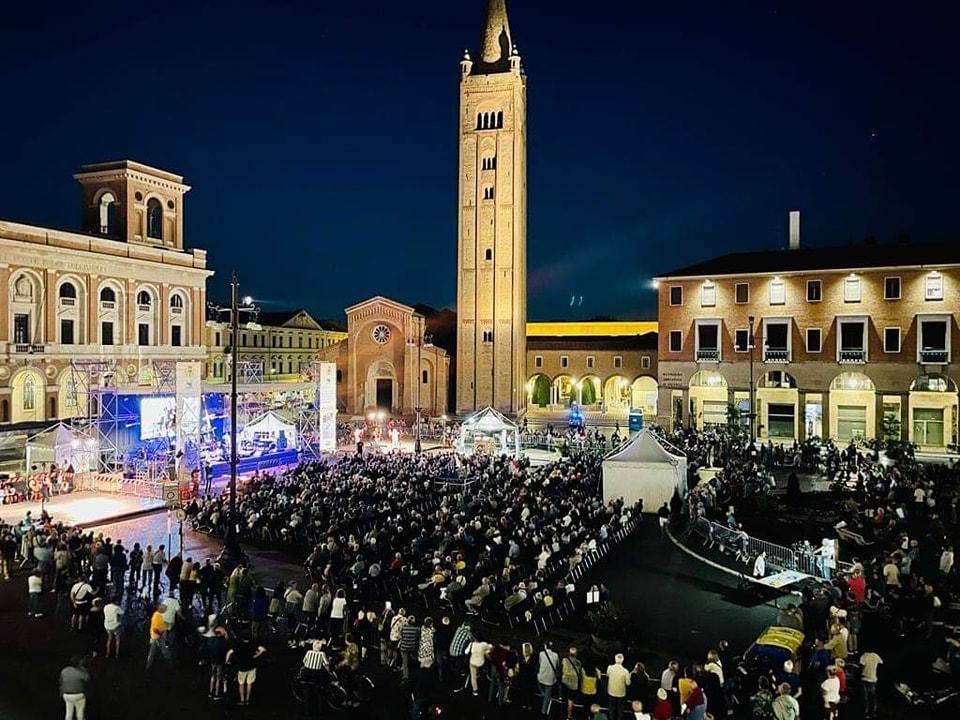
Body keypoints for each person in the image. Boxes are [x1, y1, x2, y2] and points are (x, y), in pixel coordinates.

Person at [227, 633, 266, 706]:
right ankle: (247, 700)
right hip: (252, 667)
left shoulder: (238, 645)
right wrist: (256, 655)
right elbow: (263, 649)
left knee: (241, 684)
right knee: (249, 684)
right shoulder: (253, 644)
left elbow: (229, 652)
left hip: (242, 668)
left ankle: (242, 700)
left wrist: (227, 661)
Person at [60, 656, 90, 720]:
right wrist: (83, 668)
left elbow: (61, 682)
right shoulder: (79, 671)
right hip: (78, 694)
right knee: (80, 715)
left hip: (67, 695)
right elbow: (87, 678)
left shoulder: (64, 671)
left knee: (68, 714)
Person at [560, 646, 584, 720]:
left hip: (564, 682)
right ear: (576, 654)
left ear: (569, 653)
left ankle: (561, 712)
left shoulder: (564, 660)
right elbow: (580, 674)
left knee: (564, 699)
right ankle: (569, 715)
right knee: (570, 700)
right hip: (573, 684)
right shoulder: (578, 663)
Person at [606, 653, 631, 720]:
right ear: (622, 660)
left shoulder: (610, 668)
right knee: (620, 711)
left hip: (611, 692)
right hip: (621, 694)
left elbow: (607, 675)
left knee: (611, 710)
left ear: (615, 659)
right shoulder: (625, 671)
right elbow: (628, 683)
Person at [537, 642, 560, 716]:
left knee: (539, 681)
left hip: (541, 677)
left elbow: (540, 662)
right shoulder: (556, 655)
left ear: (545, 646)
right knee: (547, 696)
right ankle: (544, 711)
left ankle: (541, 692)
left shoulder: (541, 654)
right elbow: (557, 665)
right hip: (550, 679)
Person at [207, 626, 229, 700]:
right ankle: (216, 694)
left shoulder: (210, 640)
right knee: (218, 678)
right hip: (220, 662)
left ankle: (210, 692)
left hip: (212, 661)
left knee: (213, 676)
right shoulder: (223, 642)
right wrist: (226, 636)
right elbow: (227, 649)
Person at [859, 650, 883, 719]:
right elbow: (881, 662)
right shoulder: (875, 655)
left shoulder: (864, 656)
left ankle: (866, 713)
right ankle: (874, 711)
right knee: (872, 696)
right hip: (873, 679)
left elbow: (861, 666)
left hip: (865, 679)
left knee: (865, 697)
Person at [146, 603, 169, 669]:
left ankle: (149, 665)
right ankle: (149, 665)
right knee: (153, 651)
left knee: (159, 650)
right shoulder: (156, 617)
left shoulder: (159, 615)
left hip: (158, 636)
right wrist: (162, 634)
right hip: (156, 637)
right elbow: (155, 629)